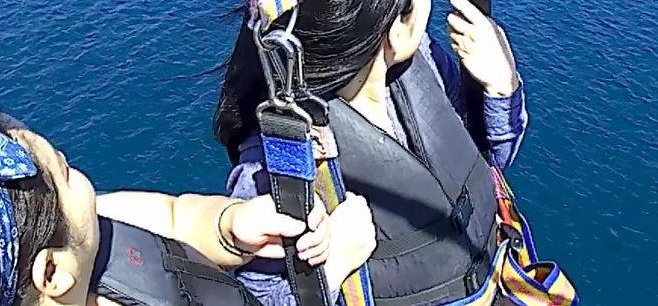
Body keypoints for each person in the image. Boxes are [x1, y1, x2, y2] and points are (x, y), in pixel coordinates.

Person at [214, 0, 528, 305]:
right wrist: (332, 269)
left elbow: (482, 163)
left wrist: (500, 88)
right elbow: (258, 298)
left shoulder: (422, 63)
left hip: (497, 279)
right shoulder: (280, 162)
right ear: (395, 30)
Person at [0, 114, 376, 306]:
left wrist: (231, 228)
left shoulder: (93, 227)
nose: (66, 158)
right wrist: (329, 273)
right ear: (51, 271)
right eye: (64, 170)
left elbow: (176, 217)